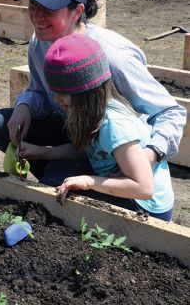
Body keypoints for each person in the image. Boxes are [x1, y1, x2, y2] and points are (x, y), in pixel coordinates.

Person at [0, 0, 186, 180]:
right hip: (75, 133)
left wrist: (152, 154)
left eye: (48, 9)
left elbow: (170, 112)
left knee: (56, 176)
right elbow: (40, 91)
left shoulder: (111, 56)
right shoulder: (40, 42)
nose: (37, 16)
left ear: (77, 10)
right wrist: (25, 105)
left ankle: (67, 180)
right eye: (33, 5)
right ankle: (55, 178)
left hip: (111, 146)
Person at [17, 34, 174, 221]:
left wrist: (89, 181)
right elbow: (87, 152)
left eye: (62, 93)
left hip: (146, 208)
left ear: (85, 91)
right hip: (126, 190)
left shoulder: (115, 125)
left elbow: (144, 188)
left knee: (53, 181)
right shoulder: (85, 111)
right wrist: (42, 152)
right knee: (54, 170)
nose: (57, 99)